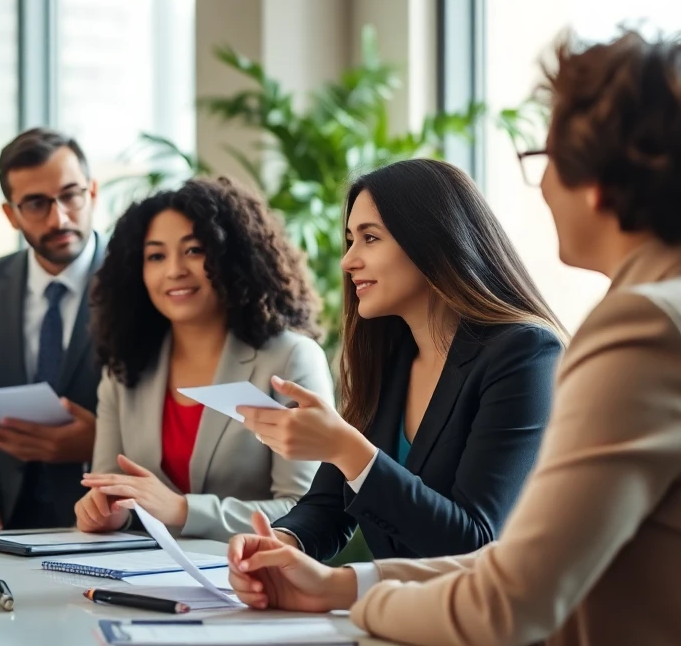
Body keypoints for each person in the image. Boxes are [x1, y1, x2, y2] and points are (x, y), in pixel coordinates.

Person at [225, 30, 681, 646]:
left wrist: (349, 597)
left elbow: (509, 601)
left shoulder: (650, 329)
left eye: (546, 156)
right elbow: (518, 569)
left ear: (601, 178)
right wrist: (340, 582)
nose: (540, 187)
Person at [240, 158, 563, 561]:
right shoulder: (390, 359)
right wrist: (278, 544)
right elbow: (327, 507)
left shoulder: (525, 354)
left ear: (432, 239)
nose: (348, 260)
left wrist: (347, 448)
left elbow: (475, 542)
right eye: (349, 240)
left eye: (370, 238)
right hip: (398, 615)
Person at [75, 178, 331, 541]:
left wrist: (182, 510)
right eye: (156, 256)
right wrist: (107, 513)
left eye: (194, 250)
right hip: (143, 582)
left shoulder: (290, 359)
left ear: (232, 257)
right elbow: (111, 490)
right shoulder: (125, 366)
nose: (175, 270)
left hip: (252, 581)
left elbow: (306, 510)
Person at [0, 128, 104, 532]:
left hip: (109, 517)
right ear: (10, 213)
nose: (60, 218)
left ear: (92, 192)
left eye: (70, 195)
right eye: (36, 203)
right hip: (6, 518)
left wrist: (100, 444)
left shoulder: (140, 283)